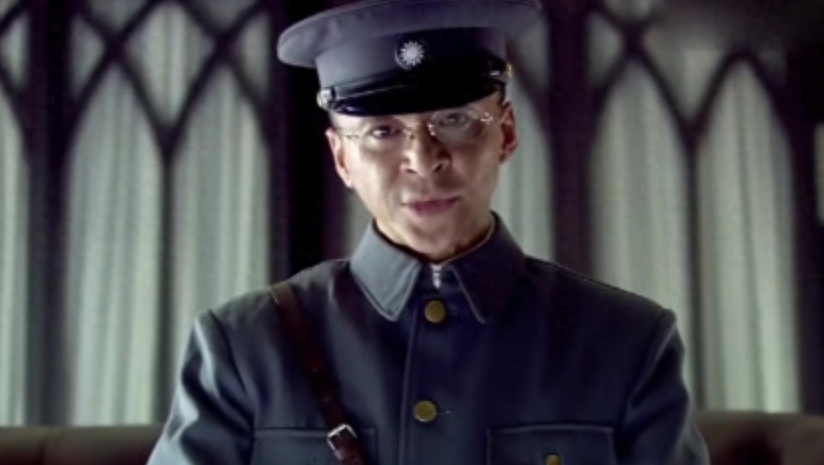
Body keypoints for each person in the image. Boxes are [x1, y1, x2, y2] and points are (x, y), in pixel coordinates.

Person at [148, 0, 709, 463]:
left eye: (454, 120)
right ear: (341, 158)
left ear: (505, 133)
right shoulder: (245, 348)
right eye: (382, 131)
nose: (423, 159)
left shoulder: (625, 344)